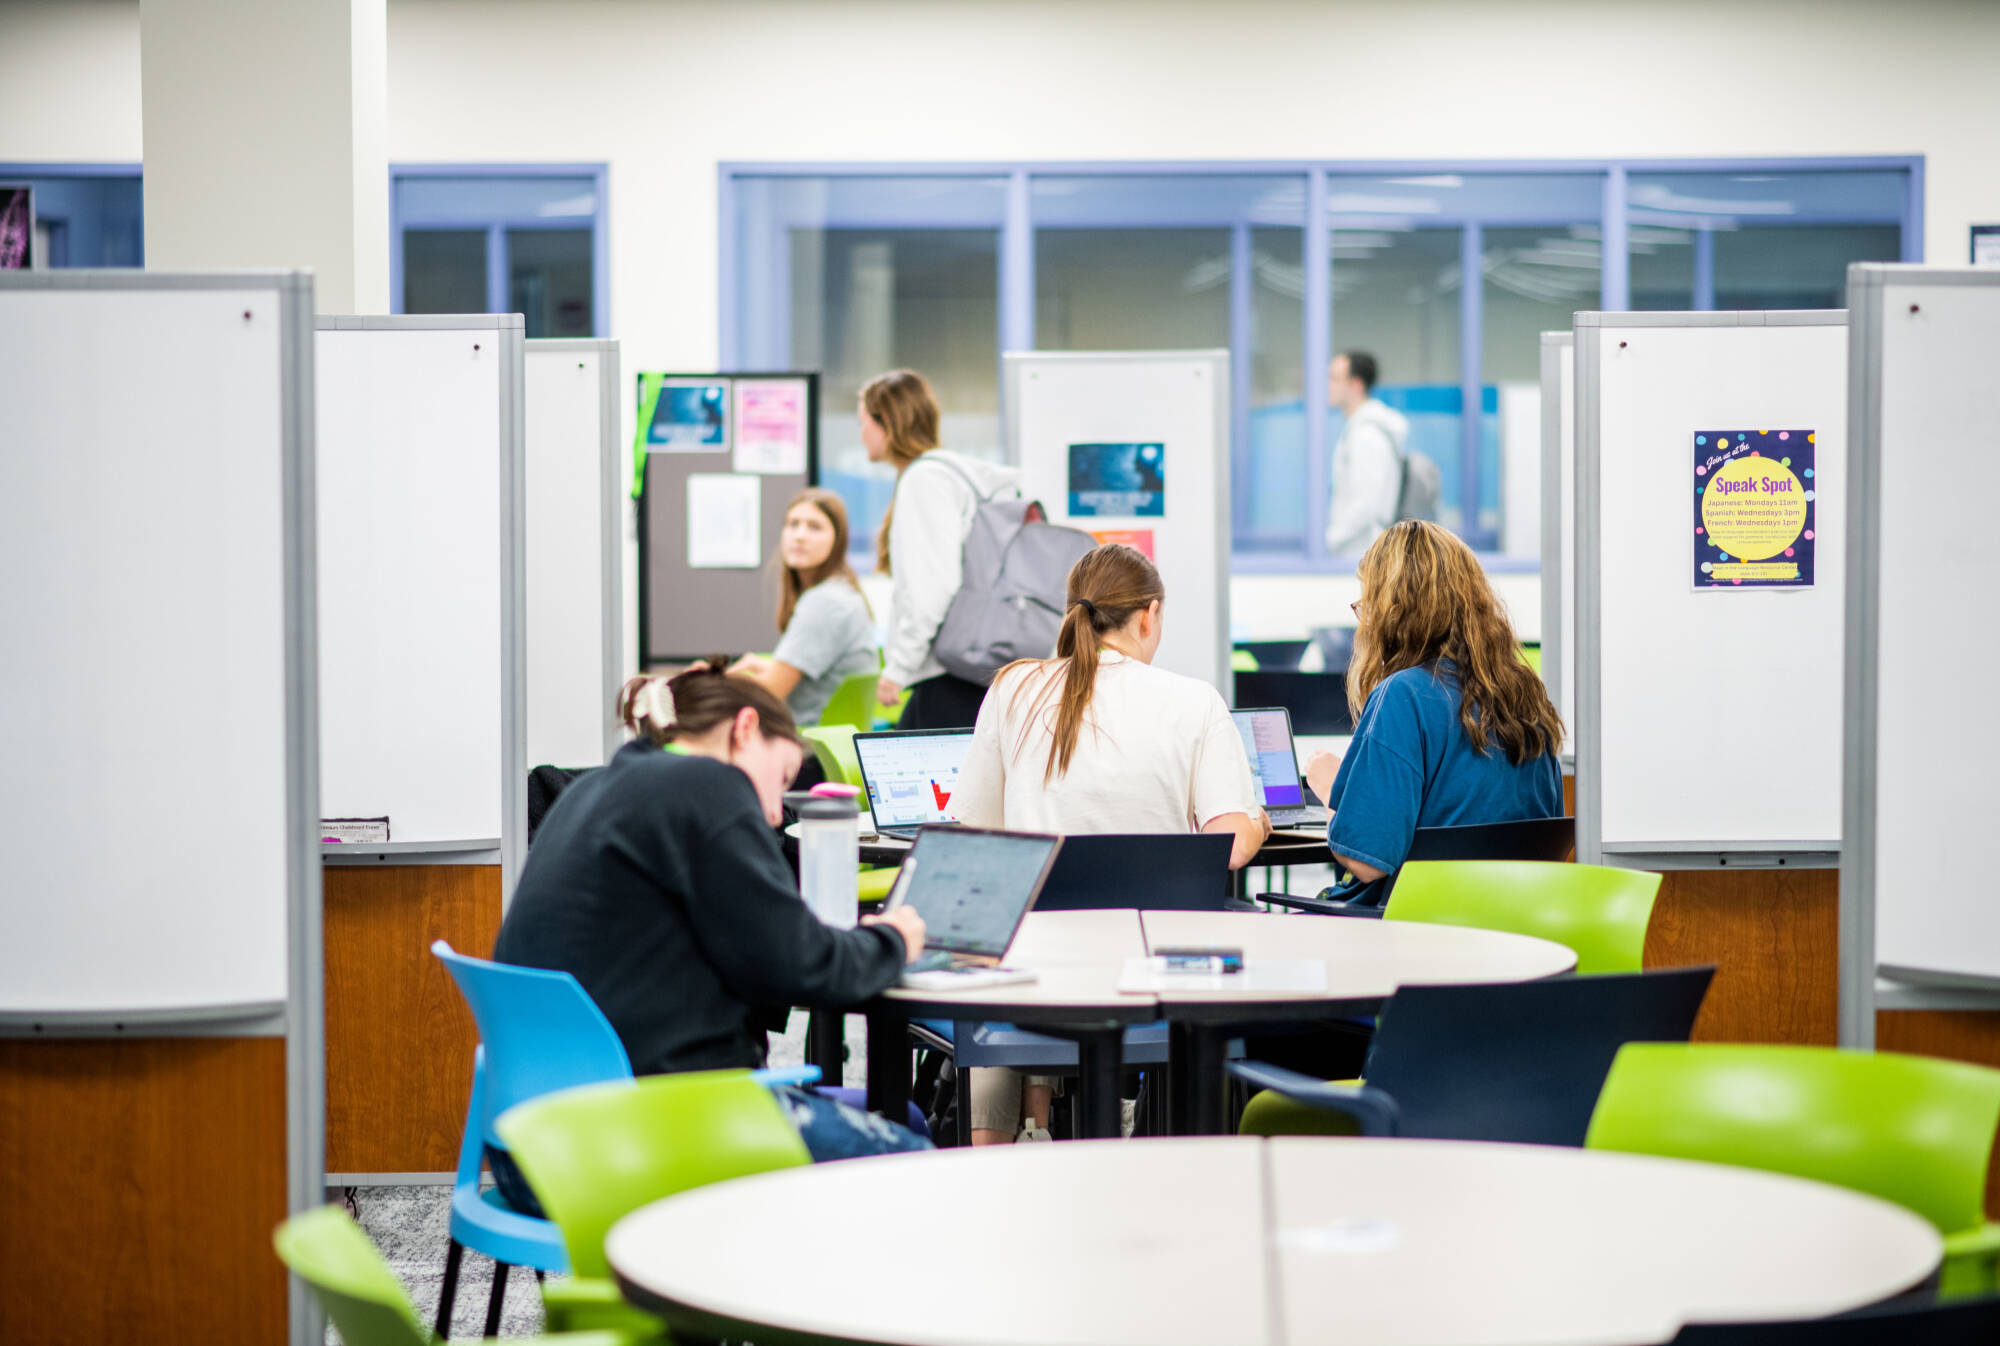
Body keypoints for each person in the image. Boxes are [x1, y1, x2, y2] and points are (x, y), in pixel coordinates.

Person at [487, 664, 932, 1206]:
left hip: (532, 1144)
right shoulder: (707, 786)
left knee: (902, 1114)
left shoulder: (593, 791)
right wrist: (894, 938)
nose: (774, 811)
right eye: (783, 777)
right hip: (640, 1141)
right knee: (915, 1162)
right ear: (745, 727)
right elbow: (804, 966)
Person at [950, 543, 1272, 1144]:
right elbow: (1228, 844)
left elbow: (977, 835)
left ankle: (1003, 1144)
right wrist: (1254, 816)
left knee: (998, 938)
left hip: (1037, 966)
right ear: (1149, 615)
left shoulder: (1014, 688)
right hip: (1159, 970)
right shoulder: (1193, 700)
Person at [1303, 519, 1565, 902]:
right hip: (1513, 930)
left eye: (1368, 605)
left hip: (1415, 936)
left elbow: (1367, 862)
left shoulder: (1402, 696)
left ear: (1394, 612)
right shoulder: (1527, 697)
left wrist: (1331, 791)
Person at [863, 368, 1019, 729]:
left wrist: (898, 669)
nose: (861, 434)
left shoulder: (925, 478)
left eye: (863, 423)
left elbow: (932, 588)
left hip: (949, 674)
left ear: (885, 421)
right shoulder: (959, 473)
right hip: (978, 669)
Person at [728, 488, 878, 728]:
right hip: (827, 750)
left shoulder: (825, 603)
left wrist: (708, 682)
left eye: (814, 527)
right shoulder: (842, 593)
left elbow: (767, 694)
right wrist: (771, 666)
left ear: (837, 541)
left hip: (805, 752)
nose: (799, 535)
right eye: (792, 524)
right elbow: (827, 678)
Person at [1323, 350, 1411, 557]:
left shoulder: (1366, 436)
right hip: (1360, 551)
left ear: (1356, 385)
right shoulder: (1359, 430)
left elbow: (1365, 504)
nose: (1327, 385)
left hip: (1362, 553)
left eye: (1334, 379)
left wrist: (1329, 540)